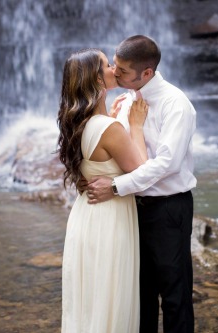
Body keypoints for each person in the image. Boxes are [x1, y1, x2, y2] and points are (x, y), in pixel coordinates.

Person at [85, 35, 197, 333]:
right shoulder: (124, 101)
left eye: (121, 70)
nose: (114, 73)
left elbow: (167, 164)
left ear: (146, 73)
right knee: (139, 293)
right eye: (114, 65)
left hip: (167, 209)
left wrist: (116, 187)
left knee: (175, 294)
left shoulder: (176, 104)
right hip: (132, 210)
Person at [57, 48, 149, 333]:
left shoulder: (77, 122)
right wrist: (135, 125)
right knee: (111, 298)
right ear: (97, 80)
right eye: (108, 65)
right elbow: (143, 171)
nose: (115, 69)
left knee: (90, 301)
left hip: (85, 218)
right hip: (109, 221)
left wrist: (114, 116)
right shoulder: (110, 128)